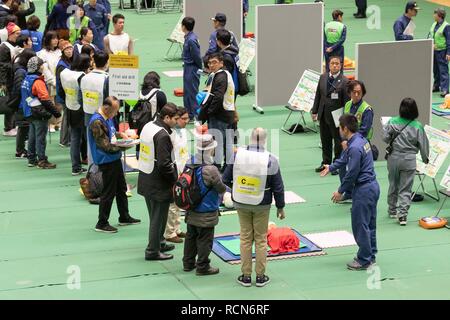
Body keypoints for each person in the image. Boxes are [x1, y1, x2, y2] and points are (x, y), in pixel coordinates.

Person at [222, 128, 286, 287]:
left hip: (241, 202)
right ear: (264, 141)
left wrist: (236, 190)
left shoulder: (237, 155)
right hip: (262, 205)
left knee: (245, 238)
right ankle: (260, 276)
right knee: (260, 239)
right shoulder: (271, 159)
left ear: (250, 139)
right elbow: (278, 187)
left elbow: (225, 179)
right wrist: (280, 207)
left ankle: (245, 276)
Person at [321, 114, 380, 270]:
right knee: (370, 224)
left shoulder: (354, 147)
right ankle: (371, 254)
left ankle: (364, 259)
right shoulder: (360, 140)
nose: (339, 130)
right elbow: (345, 159)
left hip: (363, 190)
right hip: (373, 187)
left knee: (360, 225)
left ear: (345, 129)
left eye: (340, 127)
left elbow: (352, 172)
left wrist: (341, 191)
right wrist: (331, 167)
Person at [88, 96, 141, 233]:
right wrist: (127, 145)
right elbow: (105, 145)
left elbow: (110, 133)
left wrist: (121, 134)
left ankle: (124, 216)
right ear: (106, 108)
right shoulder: (96, 122)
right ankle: (102, 222)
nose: (116, 113)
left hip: (114, 158)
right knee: (108, 192)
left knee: (121, 188)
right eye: (115, 110)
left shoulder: (107, 117)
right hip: (106, 160)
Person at [138, 103, 179, 261]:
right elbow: (164, 164)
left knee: (155, 215)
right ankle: (152, 251)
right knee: (158, 218)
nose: (176, 122)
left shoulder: (149, 126)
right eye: (175, 119)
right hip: (158, 182)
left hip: (146, 176)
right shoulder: (162, 136)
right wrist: (175, 181)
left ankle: (160, 242)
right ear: (166, 117)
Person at [182, 132, 226, 276]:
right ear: (210, 150)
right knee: (205, 240)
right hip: (206, 210)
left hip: (191, 207)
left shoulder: (190, 162)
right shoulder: (211, 169)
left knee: (190, 236)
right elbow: (221, 188)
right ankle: (202, 266)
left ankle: (188, 263)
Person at [382, 98, 429, 226]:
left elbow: (385, 138)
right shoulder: (417, 126)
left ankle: (392, 210)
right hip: (409, 159)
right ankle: (402, 216)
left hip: (393, 157)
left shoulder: (392, 121)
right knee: (406, 188)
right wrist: (426, 159)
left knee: (393, 184)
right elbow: (423, 145)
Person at [20, 56, 61, 168]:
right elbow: (45, 99)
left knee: (32, 136)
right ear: (38, 67)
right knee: (40, 138)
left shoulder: (26, 79)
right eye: (42, 65)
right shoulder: (38, 81)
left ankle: (31, 159)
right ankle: (42, 160)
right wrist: (56, 112)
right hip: (39, 113)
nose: (44, 67)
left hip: (28, 112)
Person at [312, 56, 350, 174]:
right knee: (325, 140)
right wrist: (314, 111)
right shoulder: (323, 77)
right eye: (332, 63)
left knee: (338, 141)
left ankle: (336, 165)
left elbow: (346, 102)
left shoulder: (344, 81)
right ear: (328, 65)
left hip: (337, 117)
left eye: (337, 64)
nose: (334, 65)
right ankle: (326, 163)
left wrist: (345, 119)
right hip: (323, 114)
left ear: (340, 65)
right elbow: (318, 95)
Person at [199, 53, 235, 171]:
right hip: (228, 112)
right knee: (227, 142)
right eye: (209, 63)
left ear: (221, 63)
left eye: (214, 62)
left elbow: (217, 97)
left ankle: (218, 167)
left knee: (218, 142)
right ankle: (228, 167)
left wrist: (209, 112)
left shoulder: (220, 77)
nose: (211, 65)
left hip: (220, 114)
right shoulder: (225, 74)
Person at [61, 54, 91, 175]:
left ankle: (75, 167)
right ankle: (92, 166)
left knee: (74, 139)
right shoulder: (82, 76)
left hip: (70, 107)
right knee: (89, 139)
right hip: (81, 109)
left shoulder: (64, 72)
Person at [164, 107, 189, 244]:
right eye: (184, 118)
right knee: (173, 204)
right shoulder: (169, 134)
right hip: (174, 172)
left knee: (180, 202)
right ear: (176, 119)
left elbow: (184, 152)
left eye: (187, 118)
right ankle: (169, 232)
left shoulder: (183, 132)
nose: (187, 121)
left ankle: (177, 228)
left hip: (183, 171)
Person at [80, 51, 109, 165]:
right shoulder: (106, 79)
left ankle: (91, 170)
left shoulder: (84, 77)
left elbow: (79, 97)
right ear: (107, 63)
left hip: (88, 114)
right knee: (104, 143)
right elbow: (109, 100)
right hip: (103, 117)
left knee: (90, 143)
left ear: (93, 62)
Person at [8, 48, 35, 158]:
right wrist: (29, 100)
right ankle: (20, 151)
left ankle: (22, 149)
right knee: (23, 127)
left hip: (23, 103)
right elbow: (21, 89)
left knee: (24, 127)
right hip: (21, 104)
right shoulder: (21, 71)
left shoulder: (21, 69)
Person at [135, 71, 167, 158]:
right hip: (155, 127)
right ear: (157, 81)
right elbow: (165, 112)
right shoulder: (159, 94)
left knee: (141, 149)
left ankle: (139, 154)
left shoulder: (140, 93)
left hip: (141, 126)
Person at [37, 31, 61, 132]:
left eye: (57, 38)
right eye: (53, 38)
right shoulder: (42, 53)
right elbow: (45, 70)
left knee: (59, 103)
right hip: (48, 83)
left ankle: (58, 123)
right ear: (47, 40)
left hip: (59, 82)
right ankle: (50, 124)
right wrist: (53, 81)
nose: (56, 40)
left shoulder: (59, 52)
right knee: (50, 104)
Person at [0, 22, 21, 137]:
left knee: (14, 102)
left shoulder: (12, 45)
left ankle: (13, 125)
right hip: (7, 80)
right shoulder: (4, 47)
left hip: (13, 78)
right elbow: (2, 65)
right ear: (10, 34)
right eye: (17, 33)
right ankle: (8, 128)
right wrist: (2, 83)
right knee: (9, 103)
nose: (19, 35)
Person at [181, 17, 202, 121]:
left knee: (192, 92)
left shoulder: (191, 40)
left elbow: (197, 56)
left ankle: (196, 115)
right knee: (187, 92)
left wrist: (199, 68)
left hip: (192, 68)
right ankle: (189, 113)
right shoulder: (188, 37)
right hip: (187, 67)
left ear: (183, 26)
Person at [55, 40, 73, 148]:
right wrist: (65, 96)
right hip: (65, 95)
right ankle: (64, 140)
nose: (69, 51)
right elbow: (61, 84)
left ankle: (67, 139)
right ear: (62, 51)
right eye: (67, 49)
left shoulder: (69, 62)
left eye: (70, 48)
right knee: (66, 118)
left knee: (68, 117)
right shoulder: (62, 65)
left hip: (69, 94)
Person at [430, 8, 450, 97]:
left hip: (442, 51)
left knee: (443, 70)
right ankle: (436, 85)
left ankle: (445, 89)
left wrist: (448, 53)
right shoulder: (434, 24)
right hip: (434, 51)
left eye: (435, 14)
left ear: (439, 16)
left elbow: (449, 40)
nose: (433, 15)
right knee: (436, 70)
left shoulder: (446, 26)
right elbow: (431, 34)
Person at [216, 28, 239, 97]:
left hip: (229, 88)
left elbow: (225, 76)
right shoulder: (233, 51)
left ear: (219, 42)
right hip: (233, 86)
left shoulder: (226, 57)